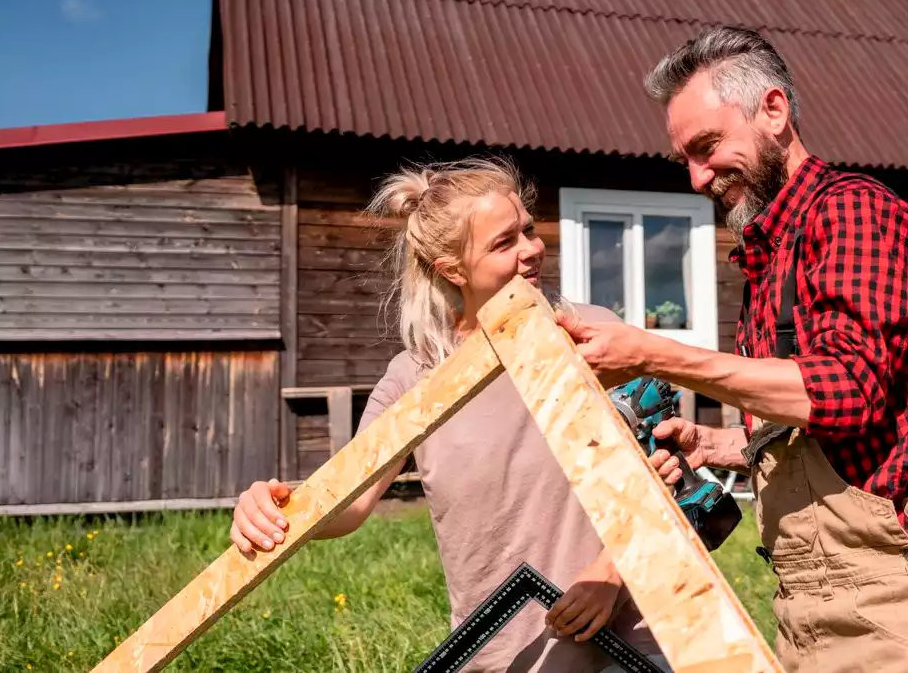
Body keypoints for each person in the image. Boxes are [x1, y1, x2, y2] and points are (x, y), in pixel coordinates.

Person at [556, 26, 908, 673]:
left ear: (773, 110)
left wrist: (654, 353)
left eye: (707, 148)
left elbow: (847, 390)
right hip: (808, 606)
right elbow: (817, 425)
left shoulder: (853, 214)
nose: (697, 176)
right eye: (685, 157)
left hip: (901, 600)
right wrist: (719, 446)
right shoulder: (769, 256)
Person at [228, 158, 672, 673]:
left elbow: (669, 479)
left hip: (625, 647)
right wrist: (276, 508)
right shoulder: (415, 378)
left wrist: (611, 576)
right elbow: (348, 506)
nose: (531, 250)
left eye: (528, 230)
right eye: (504, 243)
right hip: (495, 657)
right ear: (451, 268)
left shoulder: (592, 335)